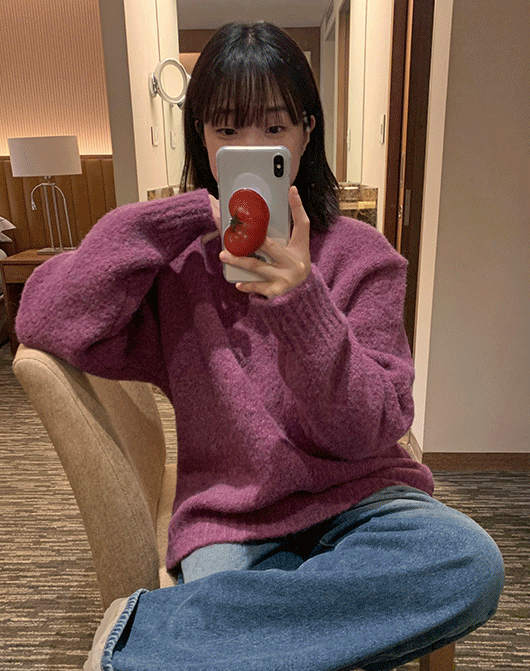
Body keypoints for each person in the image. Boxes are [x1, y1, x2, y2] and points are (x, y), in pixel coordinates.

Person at [16, 22, 504, 671]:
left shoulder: (363, 257)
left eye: (274, 127)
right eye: (227, 129)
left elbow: (371, 428)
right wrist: (189, 214)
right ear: (201, 137)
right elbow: (45, 315)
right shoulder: (181, 267)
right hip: (231, 516)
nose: (251, 149)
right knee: (280, 622)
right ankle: (263, 638)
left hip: (361, 499)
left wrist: (303, 302)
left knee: (466, 561)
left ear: (306, 132)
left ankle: (157, 638)